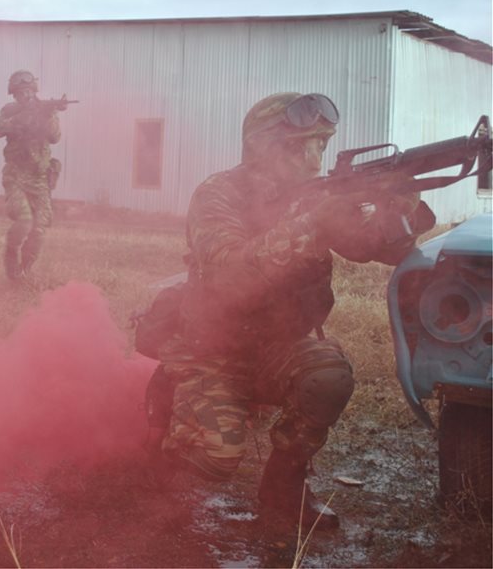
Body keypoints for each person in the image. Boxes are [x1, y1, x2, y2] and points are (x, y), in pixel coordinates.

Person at [142, 92, 435, 530]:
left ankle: (285, 489)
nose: (316, 156)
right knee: (216, 459)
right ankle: (163, 410)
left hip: (279, 346)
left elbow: (378, 248)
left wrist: (401, 205)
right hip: (211, 347)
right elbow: (230, 276)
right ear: (264, 147)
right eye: (303, 145)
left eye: (321, 143)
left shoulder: (315, 196)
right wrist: (312, 223)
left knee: (328, 376)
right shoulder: (219, 193)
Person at [0, 70, 62, 283]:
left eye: (28, 91)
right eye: (20, 93)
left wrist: (48, 115)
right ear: (14, 95)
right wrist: (21, 119)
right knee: (24, 220)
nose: (25, 96)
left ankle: (24, 271)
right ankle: (12, 264)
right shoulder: (10, 111)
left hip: (39, 178)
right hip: (16, 176)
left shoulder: (46, 111)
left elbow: (55, 137)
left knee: (40, 227)